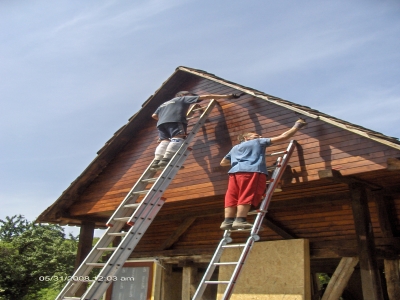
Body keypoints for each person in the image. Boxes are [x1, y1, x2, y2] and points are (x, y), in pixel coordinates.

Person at [219, 118, 307, 230]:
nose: (260, 137)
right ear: (247, 138)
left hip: (234, 174)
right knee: (247, 194)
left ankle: (227, 221)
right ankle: (240, 220)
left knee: (232, 196)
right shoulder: (257, 142)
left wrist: (240, 160)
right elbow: (284, 137)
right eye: (257, 135)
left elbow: (223, 163)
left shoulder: (235, 148)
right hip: (251, 171)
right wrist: (297, 125)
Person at [151, 91, 244, 169]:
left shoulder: (164, 104)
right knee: (178, 138)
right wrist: (228, 96)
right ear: (183, 95)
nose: (192, 97)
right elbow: (207, 96)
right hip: (175, 121)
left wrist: (166, 118)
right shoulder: (182, 99)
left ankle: (156, 161)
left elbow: (154, 116)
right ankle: (166, 160)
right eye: (191, 95)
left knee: (164, 142)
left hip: (161, 124)